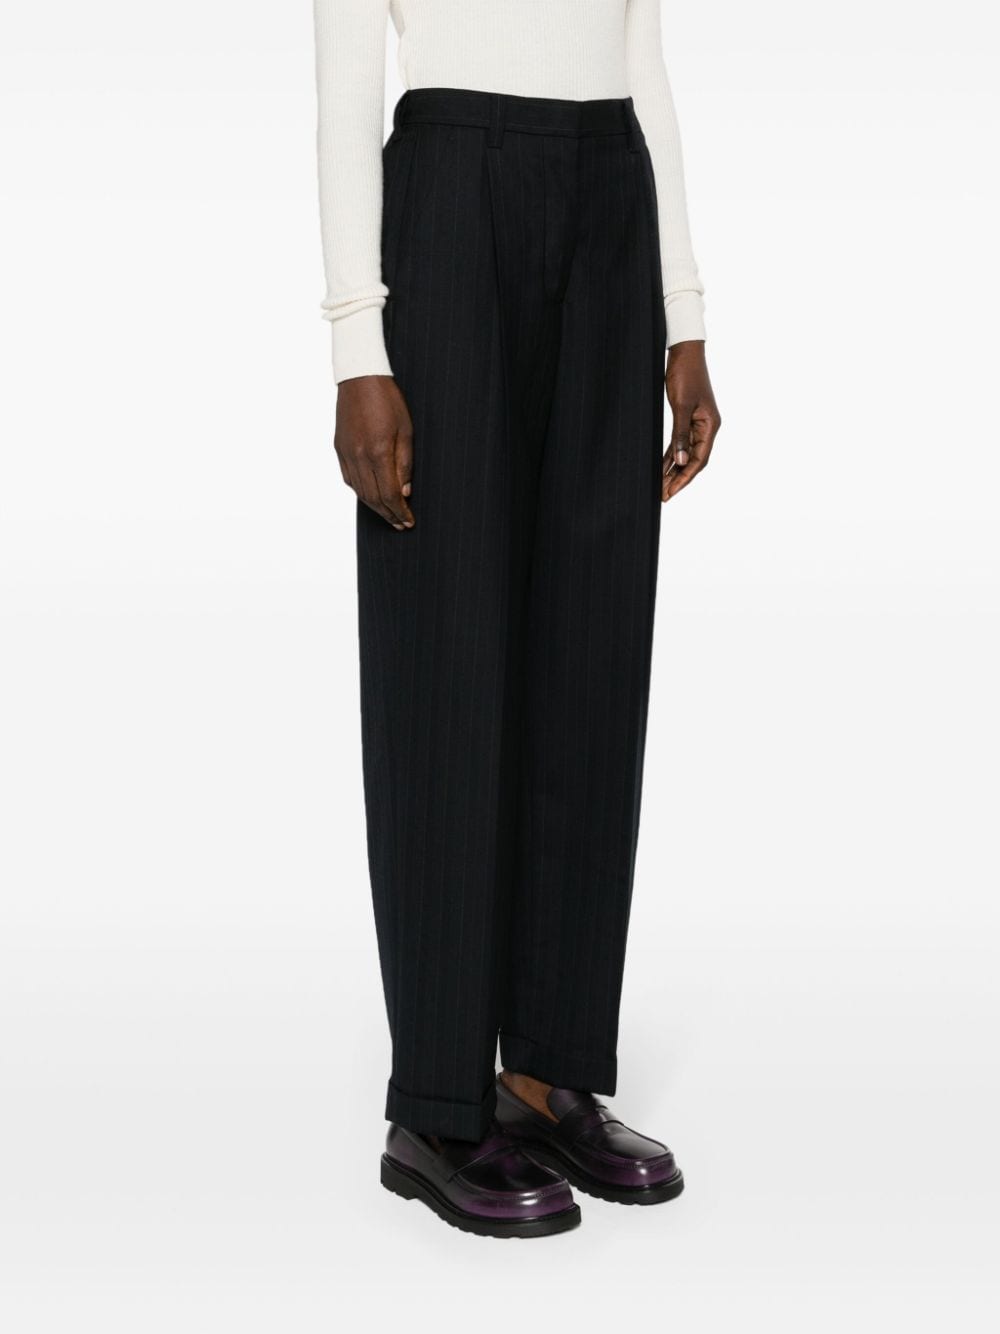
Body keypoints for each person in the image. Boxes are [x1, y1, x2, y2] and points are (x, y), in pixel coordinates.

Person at [313, 0, 721, 1238]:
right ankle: (438, 1104)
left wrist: (685, 314)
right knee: (448, 647)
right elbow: (345, 89)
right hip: (450, 190)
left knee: (593, 645)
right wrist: (358, 347)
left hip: (610, 193)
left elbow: (641, 59)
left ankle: (546, 1070)